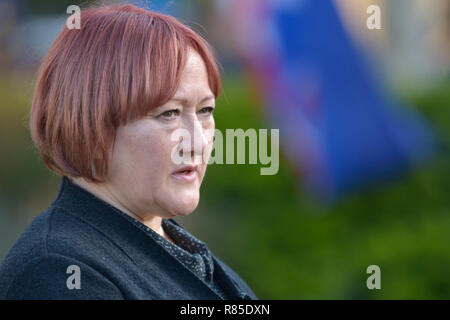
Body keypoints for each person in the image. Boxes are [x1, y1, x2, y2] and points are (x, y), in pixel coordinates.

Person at [0, 4, 257, 300]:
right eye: (169, 113)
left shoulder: (186, 254)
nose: (198, 142)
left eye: (205, 110)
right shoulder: (58, 271)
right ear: (91, 124)